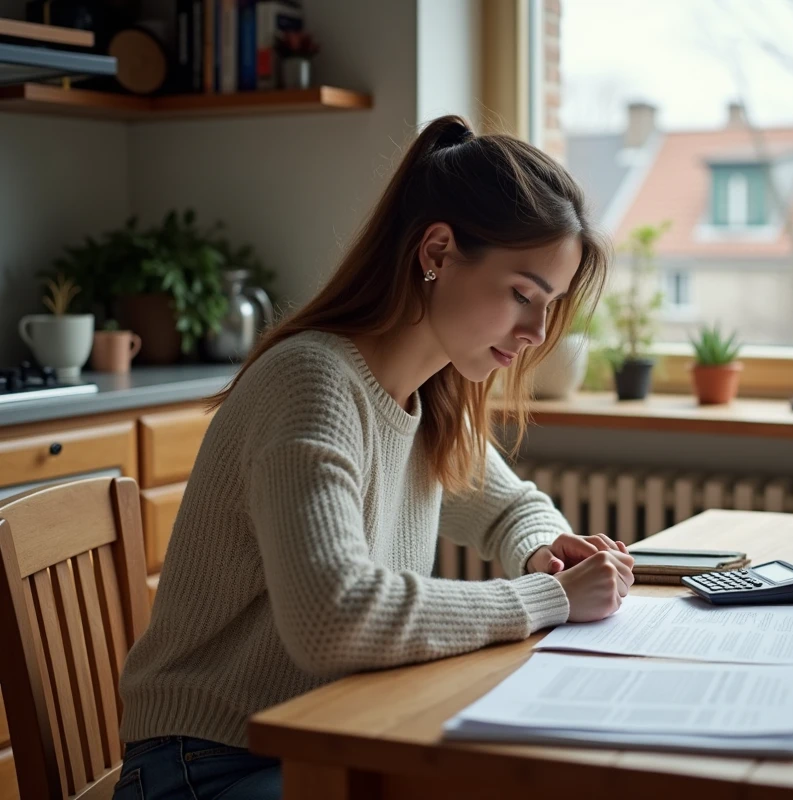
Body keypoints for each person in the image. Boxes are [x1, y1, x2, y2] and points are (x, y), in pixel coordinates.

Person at [113, 115, 629, 800]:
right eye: (522, 295)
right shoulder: (312, 383)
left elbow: (513, 508)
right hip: (207, 764)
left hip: (326, 735)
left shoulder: (429, 393)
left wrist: (541, 551)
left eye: (551, 305)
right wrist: (547, 598)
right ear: (438, 252)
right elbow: (336, 617)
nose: (536, 333)